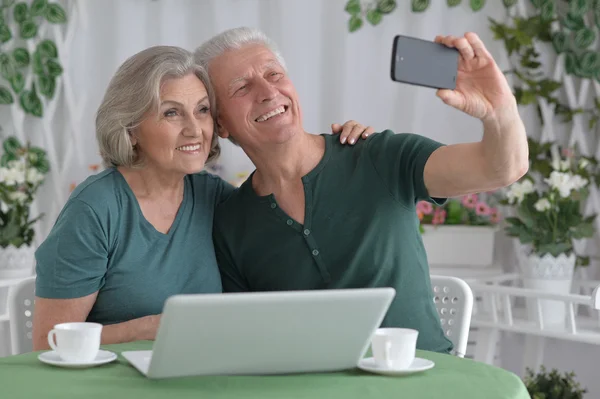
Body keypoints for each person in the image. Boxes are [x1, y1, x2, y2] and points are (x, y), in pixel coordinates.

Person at [195, 27, 528, 354]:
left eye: (275, 74)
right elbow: (248, 338)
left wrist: (500, 111)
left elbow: (501, 168)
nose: (268, 92)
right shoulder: (230, 223)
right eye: (242, 87)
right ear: (220, 124)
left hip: (425, 382)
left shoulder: (379, 156)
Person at [31, 45, 374, 350]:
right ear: (130, 129)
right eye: (171, 112)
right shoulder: (96, 209)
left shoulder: (214, 197)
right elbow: (50, 341)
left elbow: (290, 212)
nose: (195, 129)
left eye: (202, 110)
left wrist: (341, 155)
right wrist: (146, 329)